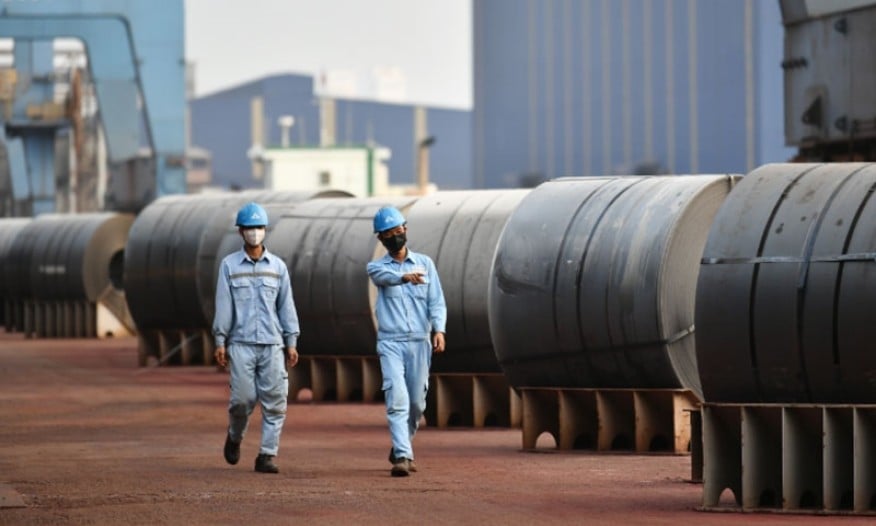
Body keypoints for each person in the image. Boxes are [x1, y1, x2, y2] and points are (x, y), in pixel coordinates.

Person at [213, 202, 300, 474]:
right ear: (241, 232)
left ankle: (267, 454)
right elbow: (224, 305)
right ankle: (235, 435)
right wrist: (220, 341)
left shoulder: (277, 268)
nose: (255, 233)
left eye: (259, 227)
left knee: (275, 402)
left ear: (265, 230)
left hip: (272, 344)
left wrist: (291, 341)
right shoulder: (229, 266)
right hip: (240, 345)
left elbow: (286, 305)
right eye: (250, 228)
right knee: (242, 400)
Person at [366, 206, 447, 477]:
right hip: (391, 342)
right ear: (381, 239)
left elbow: (436, 301)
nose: (395, 237)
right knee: (397, 399)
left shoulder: (425, 264)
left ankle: (402, 442)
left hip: (419, 342)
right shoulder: (377, 267)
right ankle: (402, 455)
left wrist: (439, 330)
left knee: (416, 403)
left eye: (398, 231)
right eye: (388, 234)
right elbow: (383, 278)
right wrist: (402, 277)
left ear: (406, 230)